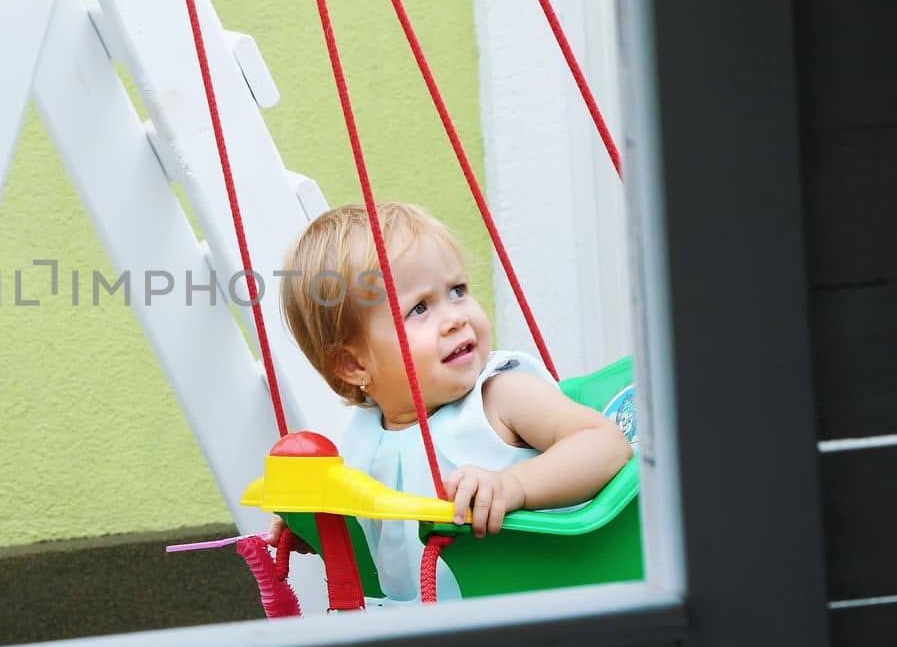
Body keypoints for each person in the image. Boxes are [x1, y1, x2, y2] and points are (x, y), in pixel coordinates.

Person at [271, 201, 632, 602]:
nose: (455, 317)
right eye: (419, 308)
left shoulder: (499, 395)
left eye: (457, 291)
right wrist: (318, 527)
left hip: (542, 598)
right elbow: (374, 527)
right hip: (430, 627)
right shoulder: (362, 439)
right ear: (354, 364)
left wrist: (514, 486)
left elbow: (606, 443)